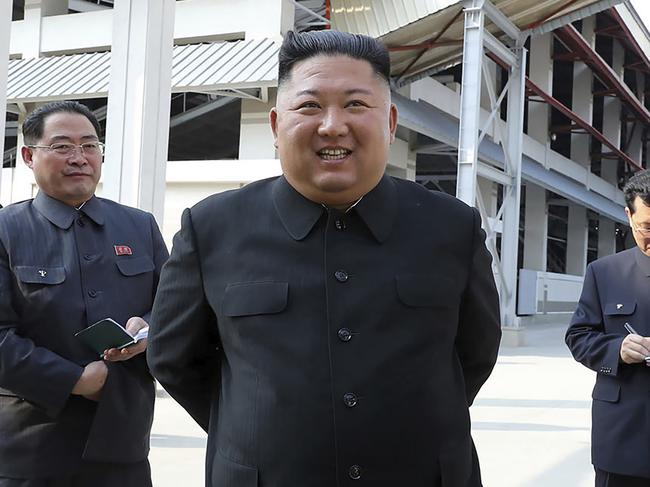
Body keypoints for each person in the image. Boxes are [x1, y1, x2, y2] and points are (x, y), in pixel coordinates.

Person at [148, 30, 501, 487]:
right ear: (276, 125)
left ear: (391, 123)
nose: (332, 125)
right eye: (310, 105)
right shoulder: (212, 227)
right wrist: (255, 422)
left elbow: (475, 353)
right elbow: (174, 357)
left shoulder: (452, 228)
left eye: (355, 104)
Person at [0, 101, 168, 486]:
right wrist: (72, 379)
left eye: (90, 146)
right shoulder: (6, 232)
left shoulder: (139, 226)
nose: (79, 158)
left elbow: (177, 308)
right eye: (62, 147)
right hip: (31, 448)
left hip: (123, 441)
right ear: (29, 155)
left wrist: (150, 330)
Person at [566, 169, 650, 487]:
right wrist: (618, 350)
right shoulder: (605, 273)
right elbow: (579, 336)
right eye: (648, 228)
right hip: (623, 434)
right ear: (628, 215)